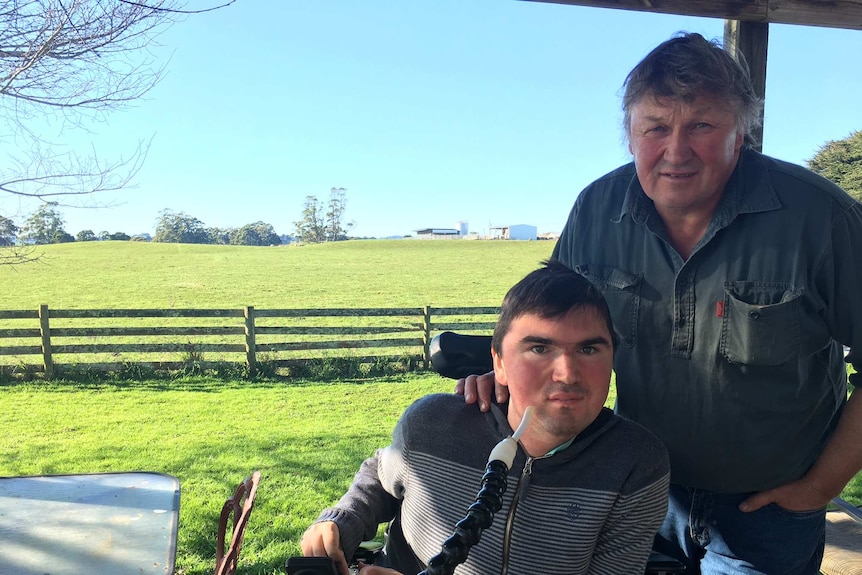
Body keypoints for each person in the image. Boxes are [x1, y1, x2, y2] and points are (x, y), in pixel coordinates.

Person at [460, 32, 862, 574]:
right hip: (629, 493)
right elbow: (547, 324)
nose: (676, 151)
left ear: (740, 134)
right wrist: (505, 377)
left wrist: (819, 487)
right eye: (655, 127)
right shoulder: (597, 209)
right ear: (630, 135)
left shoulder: (821, 219)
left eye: (701, 125)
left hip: (768, 513)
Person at [301, 260, 670, 575]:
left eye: (589, 348)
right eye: (539, 348)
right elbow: (384, 474)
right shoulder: (431, 425)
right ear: (499, 364)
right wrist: (342, 520)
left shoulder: (634, 464)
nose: (567, 374)